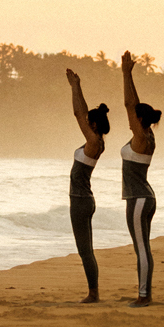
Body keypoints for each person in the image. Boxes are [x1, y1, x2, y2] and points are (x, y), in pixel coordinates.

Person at [120, 49, 161, 306]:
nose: (130, 120)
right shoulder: (147, 136)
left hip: (138, 199)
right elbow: (134, 106)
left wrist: (126, 74)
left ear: (141, 120)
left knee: (141, 248)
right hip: (145, 197)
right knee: (143, 246)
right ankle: (144, 293)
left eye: (135, 118)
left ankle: (144, 296)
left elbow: (129, 105)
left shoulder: (141, 137)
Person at [64, 67, 108, 302]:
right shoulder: (96, 142)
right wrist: (76, 86)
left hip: (80, 201)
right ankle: (93, 291)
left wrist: (75, 87)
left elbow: (78, 114)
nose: (84, 123)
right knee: (86, 249)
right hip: (84, 200)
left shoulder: (94, 143)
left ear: (93, 125)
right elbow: (81, 115)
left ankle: (93, 293)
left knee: (85, 250)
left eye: (87, 122)